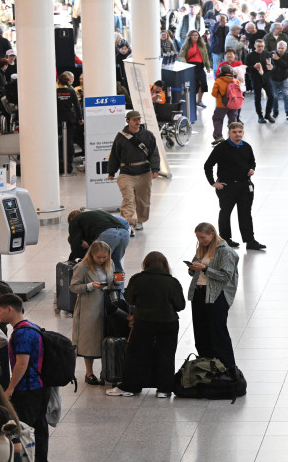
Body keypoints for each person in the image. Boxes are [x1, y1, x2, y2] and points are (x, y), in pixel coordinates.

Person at [105, 252, 185, 399]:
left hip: (144, 322)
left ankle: (131, 387)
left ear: (145, 264)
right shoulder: (172, 282)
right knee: (166, 355)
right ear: (165, 265)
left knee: (136, 354)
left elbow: (129, 299)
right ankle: (164, 389)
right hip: (168, 322)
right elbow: (180, 305)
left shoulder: (137, 279)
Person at [0, 293, 48, 462]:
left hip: (27, 389)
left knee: (22, 430)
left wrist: (10, 388)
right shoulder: (32, 326)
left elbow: (22, 364)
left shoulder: (22, 333)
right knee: (40, 427)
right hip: (39, 386)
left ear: (9, 309)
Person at [186, 223, 240, 373]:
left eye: (203, 237)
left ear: (212, 234)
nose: (200, 240)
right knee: (200, 332)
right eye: (198, 237)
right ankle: (206, 366)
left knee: (217, 332)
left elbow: (226, 276)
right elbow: (194, 273)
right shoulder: (202, 248)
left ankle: (228, 369)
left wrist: (205, 269)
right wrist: (193, 268)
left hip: (217, 295)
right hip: (198, 293)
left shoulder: (226, 252)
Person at [204, 122, 265, 250]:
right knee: (225, 213)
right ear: (229, 133)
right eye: (234, 132)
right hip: (227, 186)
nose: (238, 134)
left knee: (245, 214)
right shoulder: (221, 148)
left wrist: (252, 169)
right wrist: (213, 183)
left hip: (244, 185)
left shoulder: (246, 147)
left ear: (243, 132)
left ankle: (250, 241)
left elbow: (252, 161)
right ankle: (225, 239)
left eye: (240, 132)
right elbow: (208, 165)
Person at [69, 241, 116, 386]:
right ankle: (89, 372)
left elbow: (111, 282)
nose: (101, 260)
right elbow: (73, 287)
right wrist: (90, 286)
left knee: (106, 336)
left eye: (104, 257)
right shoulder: (82, 267)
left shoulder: (110, 263)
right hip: (89, 307)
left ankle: (106, 370)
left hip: (106, 303)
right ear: (91, 255)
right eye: (98, 257)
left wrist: (117, 281)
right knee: (90, 340)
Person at [107, 110, 160, 233]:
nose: (138, 122)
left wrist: (155, 168)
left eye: (139, 119)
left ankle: (140, 220)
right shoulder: (121, 137)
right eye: (135, 119)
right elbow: (114, 155)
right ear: (128, 121)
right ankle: (128, 223)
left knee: (143, 200)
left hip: (144, 173)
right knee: (128, 200)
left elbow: (154, 153)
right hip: (126, 173)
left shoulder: (148, 135)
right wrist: (111, 172)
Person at [55, 72, 83, 175]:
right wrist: (80, 118)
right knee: (69, 143)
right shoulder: (71, 91)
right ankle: (68, 168)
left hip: (58, 120)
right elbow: (77, 105)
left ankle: (60, 166)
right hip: (70, 120)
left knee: (59, 144)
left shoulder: (55, 92)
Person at [178, 30, 212, 106]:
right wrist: (185, 65)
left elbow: (206, 56)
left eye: (196, 35)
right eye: (193, 35)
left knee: (203, 83)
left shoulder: (202, 45)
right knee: (192, 84)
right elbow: (181, 56)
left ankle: (199, 101)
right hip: (190, 66)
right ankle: (191, 101)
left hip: (200, 66)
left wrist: (208, 66)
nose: (195, 36)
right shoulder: (186, 45)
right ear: (190, 36)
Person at [210, 65, 241, 144]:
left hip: (221, 105)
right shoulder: (236, 81)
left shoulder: (218, 81)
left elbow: (214, 94)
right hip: (233, 104)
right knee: (233, 120)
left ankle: (218, 136)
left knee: (217, 119)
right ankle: (233, 137)